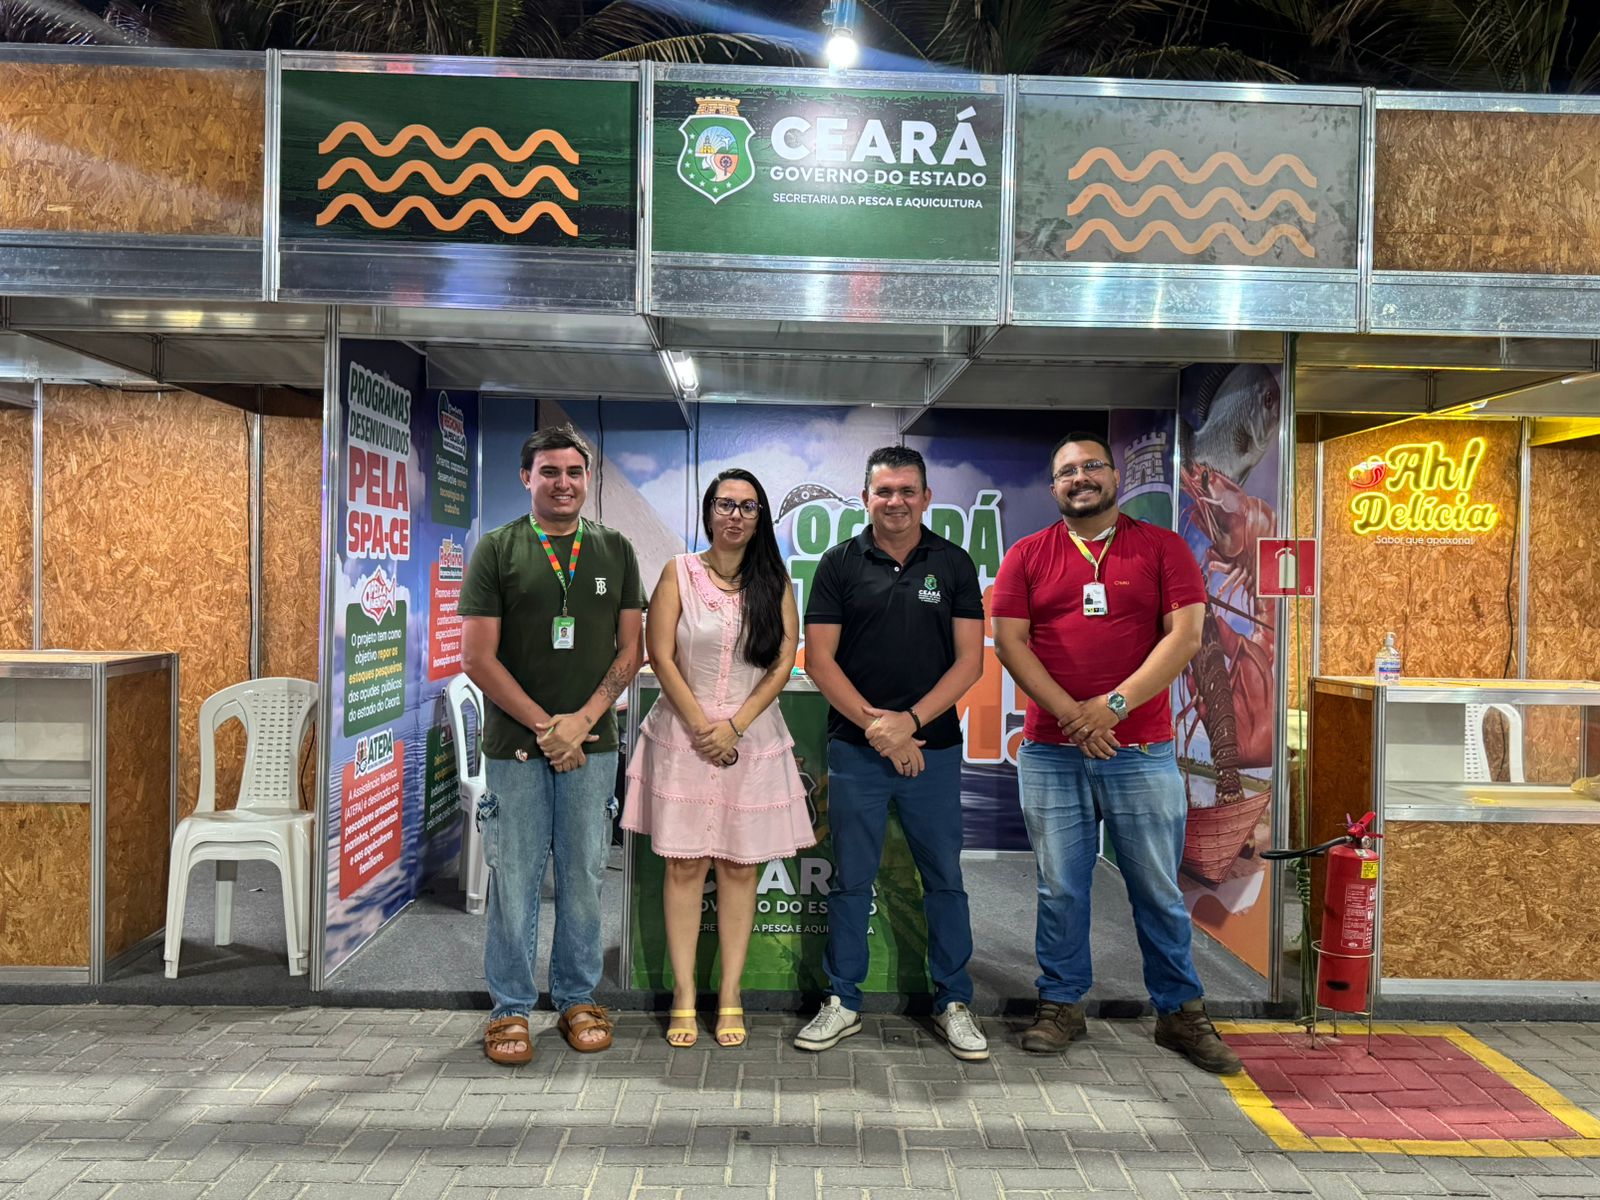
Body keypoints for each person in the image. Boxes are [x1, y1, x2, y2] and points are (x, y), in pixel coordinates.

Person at [991, 431, 1241, 1074]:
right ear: (1054, 487)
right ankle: (1062, 1004)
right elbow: (1011, 643)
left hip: (1142, 751)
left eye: (1091, 466)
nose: (1080, 478)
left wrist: (1114, 707)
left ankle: (1180, 1013)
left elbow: (1185, 637)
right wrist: (1076, 717)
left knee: (1157, 889)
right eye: (1066, 471)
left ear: (1114, 476)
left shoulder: (1163, 547)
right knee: (1060, 889)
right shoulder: (1027, 554)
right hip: (1052, 752)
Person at [459, 424, 644, 1065]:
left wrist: (583, 721)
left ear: (587, 479)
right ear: (526, 477)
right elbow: (477, 658)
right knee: (514, 877)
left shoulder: (615, 549)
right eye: (549, 472)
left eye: (573, 472)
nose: (563, 483)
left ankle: (576, 998)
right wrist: (548, 727)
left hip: (593, 746)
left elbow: (631, 650)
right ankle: (510, 1007)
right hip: (517, 746)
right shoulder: (497, 549)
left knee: (585, 875)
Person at [795, 446, 988, 1061]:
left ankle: (953, 1001)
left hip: (935, 750)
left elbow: (971, 662)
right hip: (857, 752)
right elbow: (819, 660)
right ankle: (843, 1000)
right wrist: (880, 729)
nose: (895, 501)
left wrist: (909, 723)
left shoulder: (953, 563)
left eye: (907, 490)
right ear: (866, 498)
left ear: (926, 498)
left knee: (945, 880)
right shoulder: (838, 563)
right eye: (884, 491)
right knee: (851, 881)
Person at [623, 469, 815, 1049]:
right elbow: (659, 653)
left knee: (739, 868)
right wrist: (703, 727)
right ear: (709, 511)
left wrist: (734, 725)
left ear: (761, 518)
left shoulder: (775, 581)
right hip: (683, 739)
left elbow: (783, 660)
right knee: (684, 866)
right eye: (726, 504)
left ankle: (730, 994)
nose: (736, 515)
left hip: (751, 739)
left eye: (748, 506)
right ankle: (684, 995)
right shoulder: (678, 571)